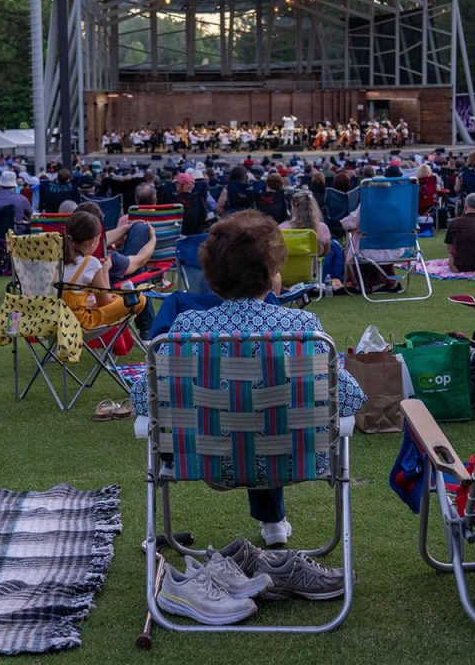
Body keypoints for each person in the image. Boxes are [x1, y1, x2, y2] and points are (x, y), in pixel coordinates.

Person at [125, 211, 365, 547]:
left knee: (246, 409)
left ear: (211, 276)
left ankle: (271, 519)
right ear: (272, 273)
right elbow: (352, 398)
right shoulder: (303, 330)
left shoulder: (185, 332)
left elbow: (141, 398)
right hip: (294, 456)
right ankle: (274, 521)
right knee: (269, 412)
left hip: (203, 458)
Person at [60, 212, 145, 330]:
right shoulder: (91, 263)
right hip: (79, 323)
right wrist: (105, 269)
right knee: (139, 299)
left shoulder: (55, 260)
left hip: (53, 319)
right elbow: (104, 303)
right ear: (93, 241)